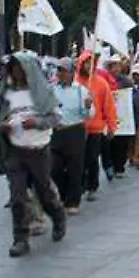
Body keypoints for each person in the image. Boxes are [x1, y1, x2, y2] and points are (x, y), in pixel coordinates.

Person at [0, 53, 67, 257]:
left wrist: (37, 123)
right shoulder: (6, 93)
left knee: (44, 191)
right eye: (13, 68)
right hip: (15, 151)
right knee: (18, 197)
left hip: (38, 150)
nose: (16, 72)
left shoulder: (42, 92)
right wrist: (3, 127)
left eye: (19, 68)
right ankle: (20, 238)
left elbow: (56, 118)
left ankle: (58, 215)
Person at [76, 51, 117, 203]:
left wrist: (112, 125)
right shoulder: (75, 83)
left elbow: (109, 106)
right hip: (77, 127)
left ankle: (92, 186)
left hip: (96, 128)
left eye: (91, 62)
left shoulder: (101, 83)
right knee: (78, 159)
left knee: (92, 158)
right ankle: (79, 185)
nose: (89, 66)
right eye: (86, 62)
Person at [51, 57, 91, 214]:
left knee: (75, 168)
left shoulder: (81, 91)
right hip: (56, 132)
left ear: (72, 73)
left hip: (75, 131)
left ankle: (73, 201)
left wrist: (88, 106)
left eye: (63, 70)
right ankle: (61, 194)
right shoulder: (52, 89)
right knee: (55, 168)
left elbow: (88, 115)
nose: (60, 73)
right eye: (58, 70)